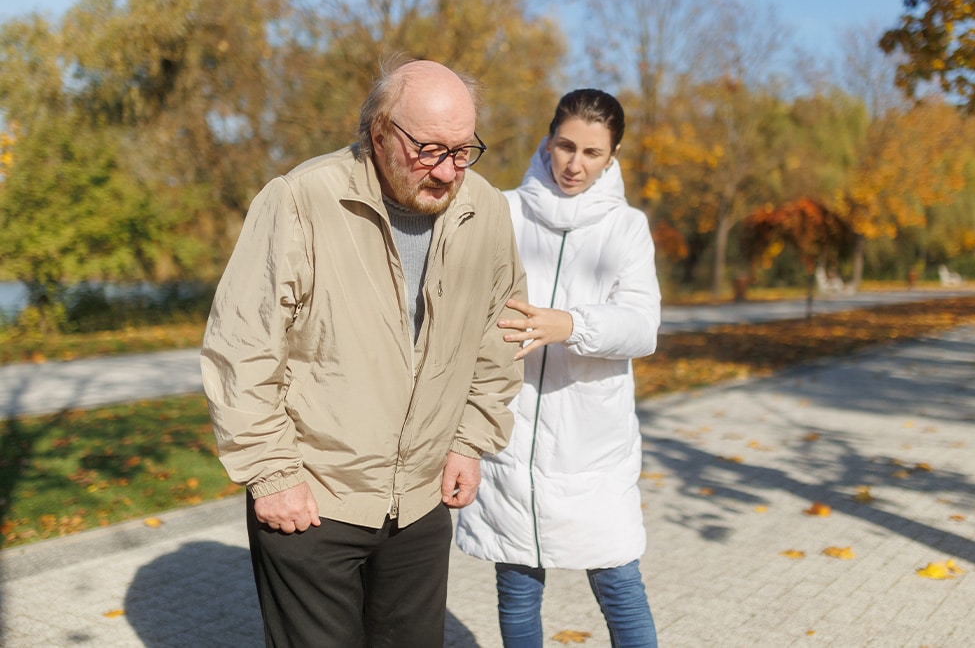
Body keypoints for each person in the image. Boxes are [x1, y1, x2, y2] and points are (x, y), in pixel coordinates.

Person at [201, 56, 527, 647]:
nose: (449, 171)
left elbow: (498, 337)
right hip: (313, 499)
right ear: (378, 134)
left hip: (423, 502)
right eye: (430, 149)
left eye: (463, 150)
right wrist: (272, 474)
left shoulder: (487, 210)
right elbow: (241, 346)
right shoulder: (300, 200)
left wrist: (468, 441)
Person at [455, 89, 662, 647]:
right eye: (566, 146)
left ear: (612, 156)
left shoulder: (626, 228)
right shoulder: (502, 210)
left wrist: (570, 324)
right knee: (517, 587)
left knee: (620, 582)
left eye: (593, 153)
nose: (575, 164)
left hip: (591, 447)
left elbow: (643, 327)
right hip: (509, 436)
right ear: (547, 140)